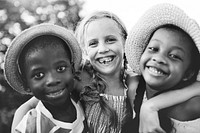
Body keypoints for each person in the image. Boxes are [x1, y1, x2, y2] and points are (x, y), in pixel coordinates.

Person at [124, 3, 200, 133]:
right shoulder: (134, 87)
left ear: (188, 73)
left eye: (174, 56)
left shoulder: (193, 106)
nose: (159, 58)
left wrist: (151, 106)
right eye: (153, 48)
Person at [4, 23, 88, 133]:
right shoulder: (31, 126)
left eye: (60, 68)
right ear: (26, 84)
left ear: (72, 70)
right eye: (39, 75)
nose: (52, 80)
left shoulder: (81, 98)